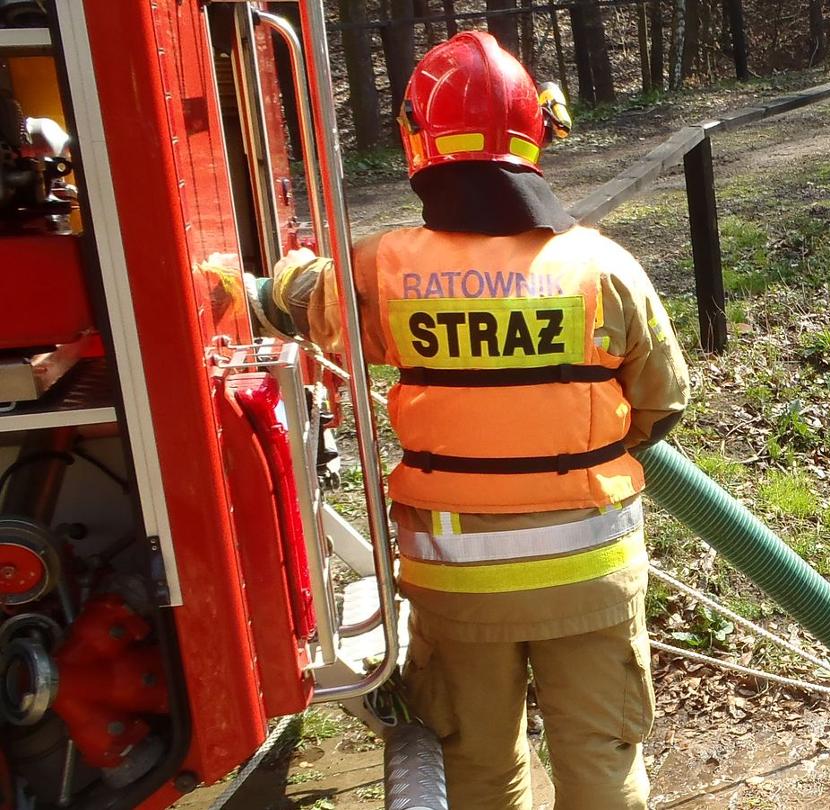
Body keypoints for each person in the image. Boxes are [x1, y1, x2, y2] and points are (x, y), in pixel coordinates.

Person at [254, 31, 687, 810]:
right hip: (591, 577)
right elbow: (663, 400)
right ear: (536, 133)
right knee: (601, 764)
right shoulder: (603, 267)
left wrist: (266, 280)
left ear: (420, 140)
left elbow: (300, 297)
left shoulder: (381, 268)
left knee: (478, 769)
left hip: (455, 582)